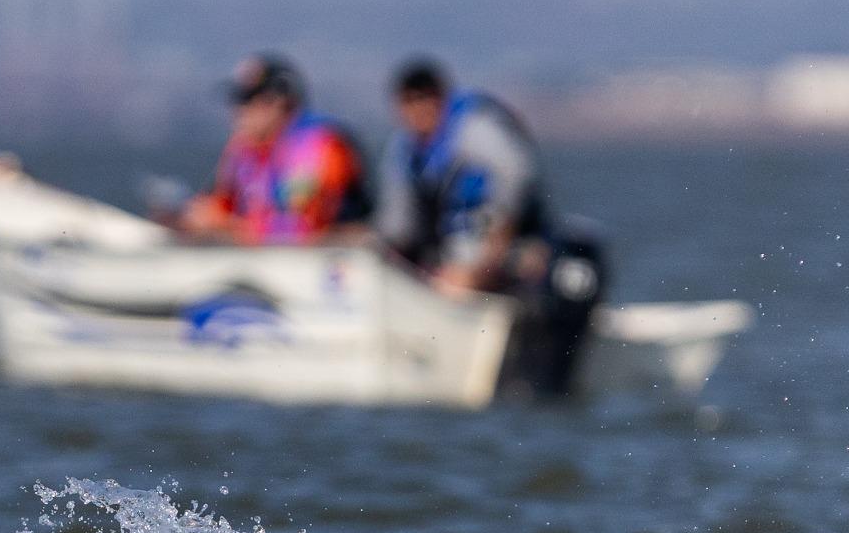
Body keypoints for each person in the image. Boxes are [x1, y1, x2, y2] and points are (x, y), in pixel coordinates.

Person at [376, 59, 604, 395]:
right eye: (408, 104)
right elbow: (398, 226)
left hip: (504, 248)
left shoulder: (473, 127)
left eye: (423, 101)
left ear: (439, 98)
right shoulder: (404, 150)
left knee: (498, 272)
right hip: (447, 258)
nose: (417, 112)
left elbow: (516, 173)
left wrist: (490, 254)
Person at [179, 53, 372, 245]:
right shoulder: (243, 148)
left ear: (279, 101)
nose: (239, 111)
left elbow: (302, 227)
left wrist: (226, 225)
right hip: (262, 253)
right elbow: (219, 202)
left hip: (326, 257)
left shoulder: (319, 145)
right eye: (236, 100)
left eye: (248, 99)